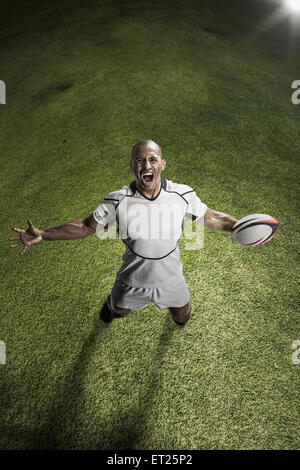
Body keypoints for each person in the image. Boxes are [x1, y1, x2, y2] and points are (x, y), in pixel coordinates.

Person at [10, 139, 237, 326]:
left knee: (182, 315)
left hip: (171, 277)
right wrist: (45, 234)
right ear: (132, 166)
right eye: (140, 160)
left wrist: (240, 228)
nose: (146, 165)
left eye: (152, 159)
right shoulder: (118, 200)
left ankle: (176, 319)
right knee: (118, 310)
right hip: (132, 278)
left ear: (162, 165)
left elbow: (212, 217)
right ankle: (111, 305)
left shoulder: (181, 194)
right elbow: (86, 226)